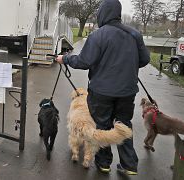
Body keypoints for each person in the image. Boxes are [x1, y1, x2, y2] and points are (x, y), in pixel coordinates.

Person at [56, 0, 150, 176]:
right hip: (127, 92)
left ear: (102, 14)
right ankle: (129, 164)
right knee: (124, 123)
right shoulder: (134, 34)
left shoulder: (98, 35)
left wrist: (65, 59)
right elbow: (144, 59)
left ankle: (103, 163)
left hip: (101, 92)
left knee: (103, 124)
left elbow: (84, 61)